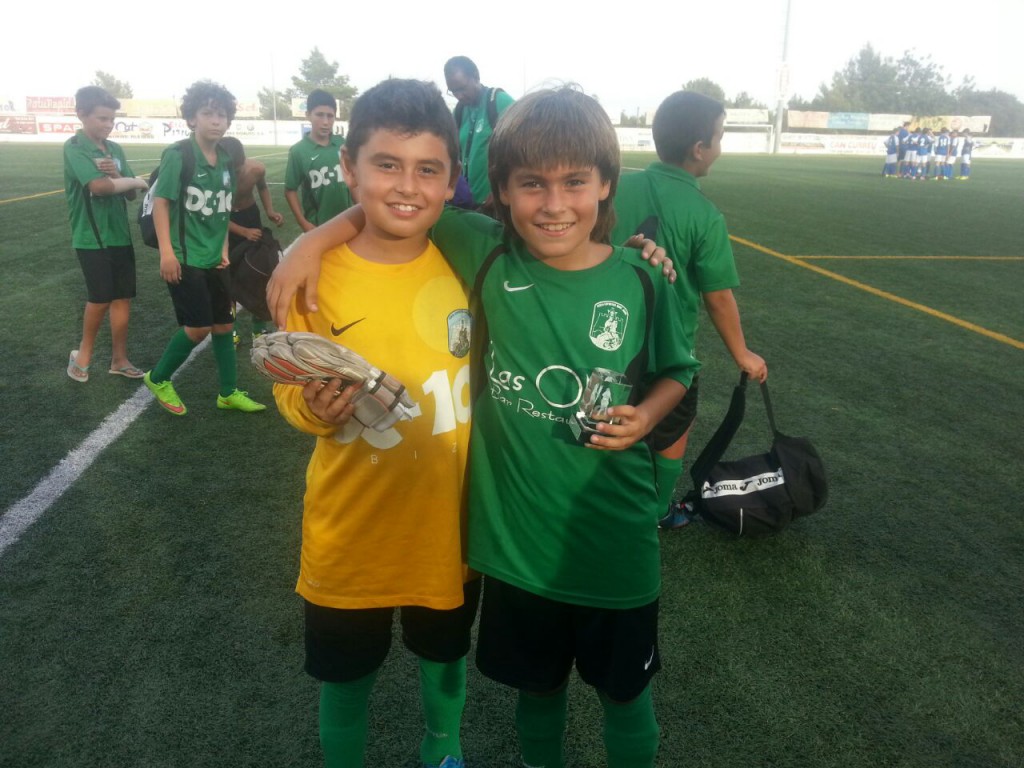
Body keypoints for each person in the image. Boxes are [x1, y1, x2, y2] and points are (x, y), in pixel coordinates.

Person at [268, 86, 698, 768]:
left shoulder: (622, 275)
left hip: (554, 542)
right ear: (499, 190)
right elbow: (396, 205)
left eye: (575, 183)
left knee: (607, 693)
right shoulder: (477, 253)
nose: (554, 204)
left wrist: (645, 414)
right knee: (523, 689)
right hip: (466, 546)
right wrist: (312, 239)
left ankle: (452, 749)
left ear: (606, 183)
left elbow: (679, 371)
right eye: (531, 184)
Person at [272, 78, 478, 768]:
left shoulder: (466, 260)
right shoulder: (315, 275)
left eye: (428, 169)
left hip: (447, 525)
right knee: (346, 677)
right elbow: (290, 384)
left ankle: (441, 752)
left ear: (451, 181)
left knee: (444, 661)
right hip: (350, 528)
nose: (407, 187)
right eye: (386, 164)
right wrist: (313, 409)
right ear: (349, 169)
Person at [611, 90, 767, 529]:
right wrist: (743, 354)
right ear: (700, 149)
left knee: (608, 418)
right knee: (671, 430)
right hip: (668, 350)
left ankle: (598, 502)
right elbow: (718, 296)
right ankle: (658, 510)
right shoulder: (704, 214)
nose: (720, 146)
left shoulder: (616, 184)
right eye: (719, 136)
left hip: (607, 334)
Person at [143, 80, 265, 416]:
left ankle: (227, 392)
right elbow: (162, 204)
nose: (215, 120)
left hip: (215, 257)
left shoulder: (226, 159)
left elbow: (222, 208)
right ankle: (158, 377)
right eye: (207, 113)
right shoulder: (178, 154)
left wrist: (224, 247)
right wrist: (167, 253)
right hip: (185, 257)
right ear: (192, 118)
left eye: (221, 114)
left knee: (225, 325)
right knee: (197, 328)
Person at [63, 85, 149, 382]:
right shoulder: (75, 147)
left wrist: (118, 175)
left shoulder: (116, 150)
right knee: (100, 298)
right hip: (91, 237)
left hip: (119, 236)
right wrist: (135, 181)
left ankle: (119, 359)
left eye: (111, 120)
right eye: (101, 118)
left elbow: (129, 197)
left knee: (122, 297)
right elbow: (97, 189)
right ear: (82, 115)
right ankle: (83, 356)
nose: (107, 125)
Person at [219, 135, 284, 341]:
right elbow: (215, 215)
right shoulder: (213, 176)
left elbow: (262, 187)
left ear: (243, 162)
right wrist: (243, 231)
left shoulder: (256, 169)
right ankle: (232, 331)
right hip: (224, 223)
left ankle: (259, 327)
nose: (233, 175)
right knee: (226, 276)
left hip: (250, 216)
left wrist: (270, 210)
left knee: (259, 273)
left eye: (236, 171)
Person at [443, 56, 514, 210]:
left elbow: (521, 150)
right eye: (454, 91)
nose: (459, 96)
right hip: (467, 203)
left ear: (475, 76)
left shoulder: (498, 101)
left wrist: (501, 190)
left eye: (462, 88)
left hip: (495, 204)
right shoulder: (460, 111)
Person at [284, 89, 353, 232]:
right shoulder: (298, 151)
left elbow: (353, 182)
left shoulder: (342, 144)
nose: (326, 122)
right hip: (318, 225)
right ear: (308, 115)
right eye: (320, 115)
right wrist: (302, 222)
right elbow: (290, 190)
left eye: (330, 116)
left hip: (348, 221)